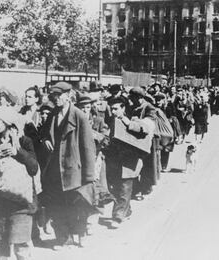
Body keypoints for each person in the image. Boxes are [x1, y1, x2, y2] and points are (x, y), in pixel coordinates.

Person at [0, 106, 38, 260]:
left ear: (7, 123)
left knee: (21, 246)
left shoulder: (24, 141)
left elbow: (33, 168)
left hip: (21, 203)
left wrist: (17, 152)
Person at [41, 82, 96, 250]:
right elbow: (44, 134)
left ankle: (80, 233)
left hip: (74, 169)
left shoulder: (79, 116)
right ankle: (63, 238)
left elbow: (88, 147)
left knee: (76, 205)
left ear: (68, 95)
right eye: (53, 96)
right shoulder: (52, 115)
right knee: (58, 204)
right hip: (55, 170)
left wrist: (88, 175)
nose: (55, 99)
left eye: (59, 96)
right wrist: (46, 140)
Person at [106, 96, 154, 229]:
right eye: (111, 109)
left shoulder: (133, 119)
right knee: (117, 188)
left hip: (129, 162)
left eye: (116, 109)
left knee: (124, 188)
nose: (113, 111)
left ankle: (118, 216)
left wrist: (128, 123)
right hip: (115, 161)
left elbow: (144, 129)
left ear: (123, 108)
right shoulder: (110, 121)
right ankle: (127, 211)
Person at [76, 93, 112, 236]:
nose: (85, 110)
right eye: (82, 107)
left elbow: (107, 140)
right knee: (82, 192)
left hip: (95, 160)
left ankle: (91, 221)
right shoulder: (74, 121)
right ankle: (81, 221)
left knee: (95, 190)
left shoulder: (98, 121)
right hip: (79, 160)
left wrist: (93, 134)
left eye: (87, 107)